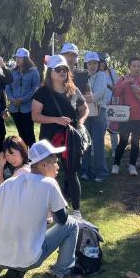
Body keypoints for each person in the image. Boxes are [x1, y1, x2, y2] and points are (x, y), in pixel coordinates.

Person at [0, 140, 85, 278]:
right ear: (43, 165)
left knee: (27, 238)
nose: (57, 166)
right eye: (54, 162)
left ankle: (16, 269)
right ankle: (63, 274)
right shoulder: (49, 184)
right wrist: (58, 205)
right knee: (72, 224)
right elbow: (62, 220)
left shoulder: (12, 182)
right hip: (29, 257)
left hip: (1, 256)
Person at [31, 55, 88, 218]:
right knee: (45, 172)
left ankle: (76, 211)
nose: (62, 72)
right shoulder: (42, 92)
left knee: (71, 172)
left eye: (65, 69)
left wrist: (81, 123)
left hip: (70, 138)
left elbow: (84, 109)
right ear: (50, 72)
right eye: (58, 69)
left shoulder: (73, 90)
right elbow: (35, 116)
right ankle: (48, 210)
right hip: (49, 137)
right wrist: (56, 120)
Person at [111, 57, 140, 177]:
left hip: (139, 116)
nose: (136, 68)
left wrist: (138, 89)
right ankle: (116, 165)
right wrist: (124, 84)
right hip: (125, 116)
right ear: (129, 67)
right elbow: (115, 93)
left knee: (135, 142)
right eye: (134, 66)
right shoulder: (123, 79)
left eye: (138, 66)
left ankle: (132, 166)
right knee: (123, 141)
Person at [80, 52, 109, 182]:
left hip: (98, 112)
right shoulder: (82, 75)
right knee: (85, 143)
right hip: (85, 112)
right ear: (86, 64)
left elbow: (99, 94)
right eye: (90, 63)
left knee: (98, 144)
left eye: (95, 63)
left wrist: (83, 99)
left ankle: (101, 172)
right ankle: (85, 171)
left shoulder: (102, 75)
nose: (92, 66)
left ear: (99, 64)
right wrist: (85, 99)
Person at [5, 47, 40, 146]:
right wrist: (11, 98)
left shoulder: (34, 72)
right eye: (17, 57)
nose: (17, 59)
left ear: (26, 59)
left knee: (29, 133)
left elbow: (35, 89)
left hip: (27, 108)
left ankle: (32, 157)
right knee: (21, 133)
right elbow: (8, 86)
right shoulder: (13, 72)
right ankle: (23, 155)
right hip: (14, 108)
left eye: (20, 58)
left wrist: (22, 99)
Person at [99, 54, 120, 154]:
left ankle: (115, 150)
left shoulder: (111, 72)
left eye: (103, 61)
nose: (101, 64)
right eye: (99, 62)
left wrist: (115, 100)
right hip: (99, 106)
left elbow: (117, 87)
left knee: (113, 129)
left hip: (112, 104)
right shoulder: (94, 73)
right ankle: (101, 150)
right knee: (101, 129)